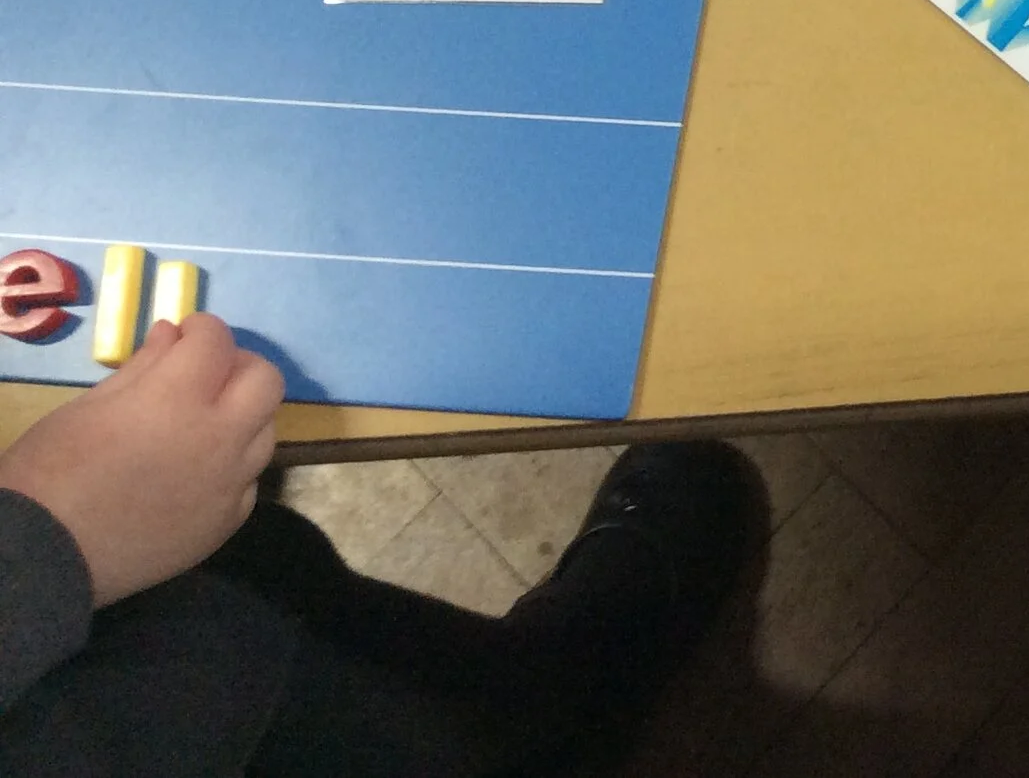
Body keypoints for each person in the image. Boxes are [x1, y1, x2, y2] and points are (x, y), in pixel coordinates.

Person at [0, 312, 760, 774]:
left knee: (270, 571)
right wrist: (52, 539)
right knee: (476, 731)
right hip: (175, 732)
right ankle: (575, 708)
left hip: (141, 612)